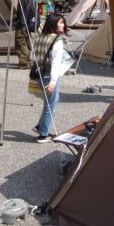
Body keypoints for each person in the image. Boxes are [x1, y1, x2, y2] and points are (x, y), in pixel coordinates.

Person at [32, 13, 72, 143]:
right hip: (50, 74)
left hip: (39, 73)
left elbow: (32, 56)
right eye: (60, 23)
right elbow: (55, 63)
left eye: (63, 22)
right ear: (53, 24)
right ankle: (43, 134)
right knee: (51, 104)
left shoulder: (40, 37)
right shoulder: (56, 40)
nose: (63, 25)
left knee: (48, 102)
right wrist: (54, 81)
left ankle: (41, 125)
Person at [14, 0, 37, 69]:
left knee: (21, 42)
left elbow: (22, 13)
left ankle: (24, 62)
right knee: (28, 43)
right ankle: (29, 60)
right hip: (29, 23)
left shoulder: (22, 0)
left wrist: (18, 16)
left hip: (22, 24)